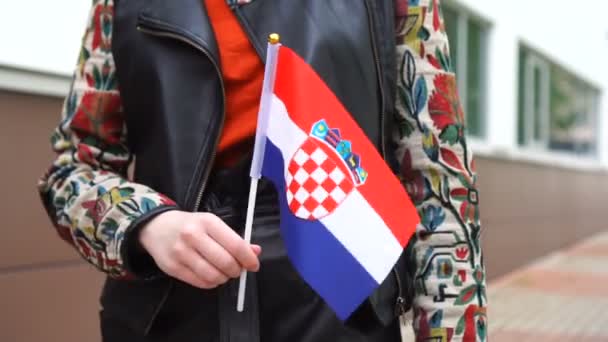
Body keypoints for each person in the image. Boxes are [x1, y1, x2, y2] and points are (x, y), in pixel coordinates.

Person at [38, 0, 487, 341]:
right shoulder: (116, 5)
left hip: (338, 303)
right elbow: (71, 172)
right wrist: (146, 224)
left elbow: (440, 185)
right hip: (170, 311)